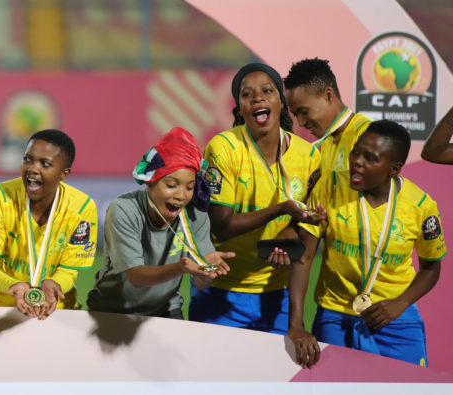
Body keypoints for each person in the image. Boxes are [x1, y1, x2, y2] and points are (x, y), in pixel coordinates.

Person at [287, 121, 444, 368]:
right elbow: (304, 257)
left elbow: (431, 268)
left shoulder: (421, 206)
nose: (357, 161)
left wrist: (400, 303)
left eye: (370, 158)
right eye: (356, 151)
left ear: (394, 169)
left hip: (395, 320)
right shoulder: (330, 187)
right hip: (335, 318)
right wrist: (296, 325)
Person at [189, 63, 322, 334]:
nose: (258, 98)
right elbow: (222, 227)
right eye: (247, 94)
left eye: (267, 91)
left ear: (281, 103)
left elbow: (307, 225)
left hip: (277, 293)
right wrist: (281, 209)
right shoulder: (224, 148)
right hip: (221, 289)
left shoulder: (308, 156)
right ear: (240, 108)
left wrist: (290, 231)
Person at [88, 127, 234, 318]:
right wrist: (181, 268)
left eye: (190, 187)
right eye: (171, 185)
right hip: (112, 310)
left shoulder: (196, 214)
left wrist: (207, 271)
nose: (181, 196)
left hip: (166, 311)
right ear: (150, 182)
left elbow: (201, 282)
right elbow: (136, 277)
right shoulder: (124, 208)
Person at [0, 129, 97, 319]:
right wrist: (13, 286)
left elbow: (68, 270)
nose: (32, 168)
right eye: (27, 159)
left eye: (45, 164)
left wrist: (54, 285)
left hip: (54, 312)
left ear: (64, 174)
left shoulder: (82, 209)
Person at [284, 58, 372, 194]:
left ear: (328, 95)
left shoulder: (367, 135)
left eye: (304, 112)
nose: (301, 122)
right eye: (296, 115)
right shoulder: (327, 143)